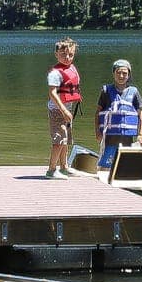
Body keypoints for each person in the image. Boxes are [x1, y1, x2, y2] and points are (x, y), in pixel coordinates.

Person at [94, 58, 142, 172]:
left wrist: (141, 134)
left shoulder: (134, 92)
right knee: (106, 165)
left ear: (129, 75)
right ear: (113, 73)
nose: (121, 76)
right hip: (109, 138)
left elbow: (141, 115)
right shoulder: (106, 91)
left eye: (124, 73)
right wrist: (97, 131)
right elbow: (98, 113)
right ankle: (104, 182)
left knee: (125, 164)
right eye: (118, 72)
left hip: (127, 138)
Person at [44, 37, 81, 177]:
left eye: (70, 54)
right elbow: (52, 93)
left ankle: (64, 167)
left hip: (67, 110)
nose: (67, 57)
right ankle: (51, 170)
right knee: (59, 140)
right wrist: (64, 110)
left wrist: (68, 110)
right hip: (57, 110)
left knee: (66, 140)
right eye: (63, 54)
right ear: (56, 54)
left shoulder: (71, 68)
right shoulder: (55, 72)